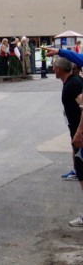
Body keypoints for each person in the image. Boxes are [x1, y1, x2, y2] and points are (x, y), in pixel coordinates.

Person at [48, 56, 83, 226]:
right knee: (80, 170)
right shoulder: (72, 81)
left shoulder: (73, 84)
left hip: (81, 136)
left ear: (59, 70)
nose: (53, 69)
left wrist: (79, 133)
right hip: (76, 136)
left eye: (54, 66)